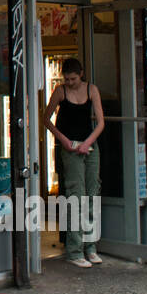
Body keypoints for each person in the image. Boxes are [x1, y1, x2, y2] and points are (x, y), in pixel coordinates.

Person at [43, 58, 105, 267]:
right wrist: (62, 139)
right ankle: (75, 249)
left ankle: (91, 247)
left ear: (81, 74)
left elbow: (101, 122)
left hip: (89, 146)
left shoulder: (91, 90)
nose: (70, 82)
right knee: (76, 196)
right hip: (70, 147)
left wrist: (88, 143)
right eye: (66, 79)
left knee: (92, 194)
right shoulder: (60, 92)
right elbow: (46, 118)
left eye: (73, 78)